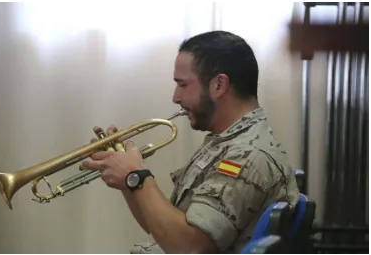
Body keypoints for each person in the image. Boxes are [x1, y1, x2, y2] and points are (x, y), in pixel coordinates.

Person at [81, 30, 300, 253]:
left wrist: (136, 177)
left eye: (183, 85)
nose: (175, 97)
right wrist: (127, 178)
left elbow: (190, 247)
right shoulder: (226, 143)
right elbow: (163, 230)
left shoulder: (245, 156)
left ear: (219, 85)